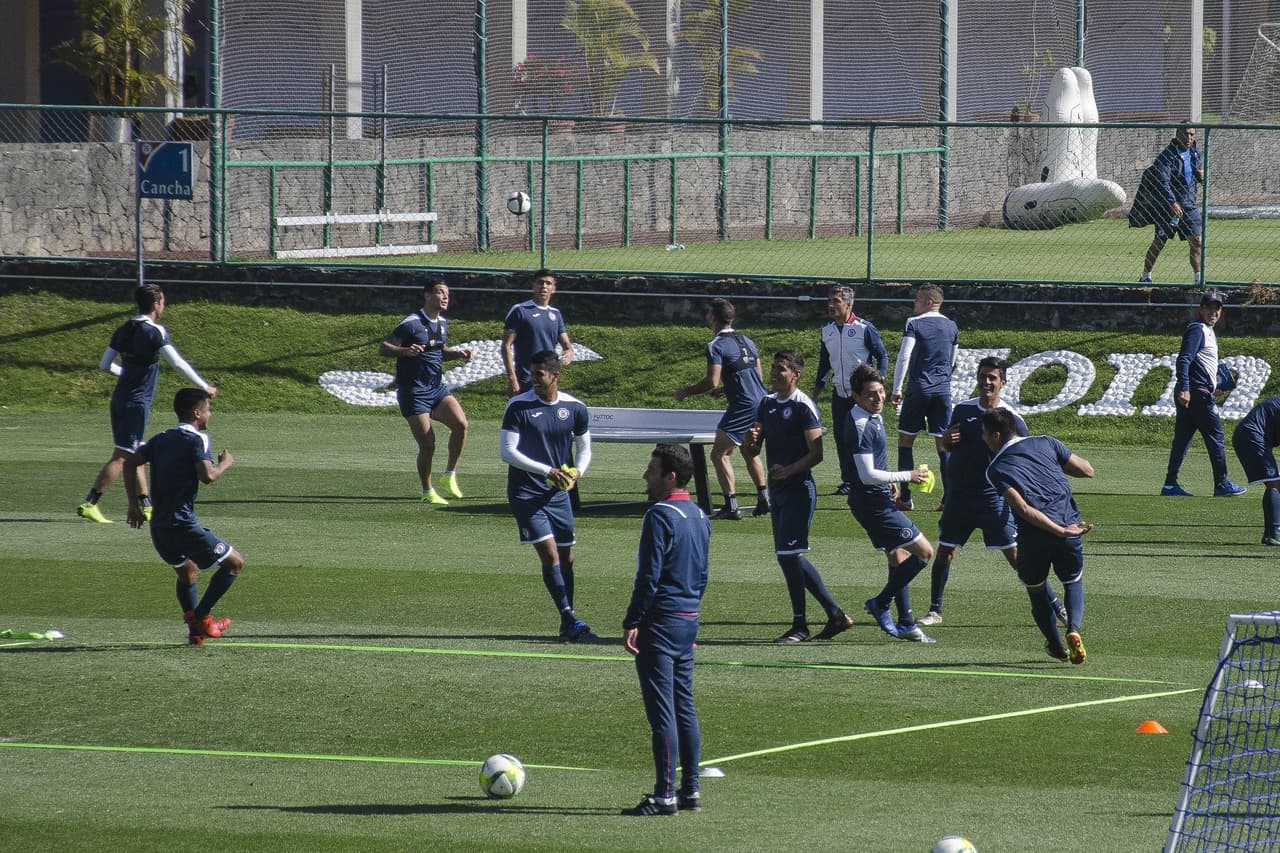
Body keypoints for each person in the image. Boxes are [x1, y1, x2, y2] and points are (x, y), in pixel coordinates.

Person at [918, 357, 1067, 628]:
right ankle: (934, 610)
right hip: (960, 498)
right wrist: (945, 442)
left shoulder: (1013, 420)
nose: (987, 382)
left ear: (1003, 382)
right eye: (983, 376)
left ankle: (1056, 605)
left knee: (1017, 558)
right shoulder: (962, 410)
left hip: (993, 499)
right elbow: (948, 446)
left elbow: (1023, 461)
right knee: (945, 552)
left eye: (992, 378)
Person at [621, 444, 711, 817]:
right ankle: (690, 790)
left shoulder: (659, 515)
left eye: (652, 469)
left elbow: (648, 576)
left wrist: (633, 620)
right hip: (688, 619)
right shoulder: (700, 515)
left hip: (660, 623)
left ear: (670, 476)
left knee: (663, 715)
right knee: (684, 707)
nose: (646, 475)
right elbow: (703, 574)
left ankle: (664, 796)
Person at [78, 283, 217, 524]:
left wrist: (126, 373)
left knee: (136, 451)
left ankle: (147, 505)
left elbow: (104, 365)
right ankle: (91, 502)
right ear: (155, 304)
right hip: (137, 401)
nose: (164, 305)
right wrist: (204, 386)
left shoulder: (124, 329)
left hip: (119, 399)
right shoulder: (155, 332)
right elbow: (177, 363)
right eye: (162, 301)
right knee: (122, 455)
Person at [742, 350, 853, 643]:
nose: (775, 373)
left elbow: (817, 453)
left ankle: (801, 626)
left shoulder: (804, 406)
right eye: (774, 368)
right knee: (786, 558)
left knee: (789, 555)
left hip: (800, 490)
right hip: (779, 491)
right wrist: (748, 444)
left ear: (796, 374)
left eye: (782, 369)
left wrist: (790, 470)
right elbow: (752, 450)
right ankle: (834, 615)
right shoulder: (766, 404)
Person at [123, 388, 243, 646]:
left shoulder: (162, 438)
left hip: (160, 527)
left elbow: (130, 462)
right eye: (208, 409)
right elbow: (207, 476)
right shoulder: (198, 439)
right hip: (182, 524)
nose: (210, 414)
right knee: (234, 564)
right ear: (197, 413)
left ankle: (196, 635)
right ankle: (200, 618)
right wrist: (226, 463)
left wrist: (134, 504)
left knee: (187, 571)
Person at [982, 407, 1094, 664]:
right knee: (1072, 582)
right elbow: (1087, 470)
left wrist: (1056, 530)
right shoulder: (1047, 442)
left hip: (1035, 538)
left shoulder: (995, 468)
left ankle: (1057, 646)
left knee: (1037, 590)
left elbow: (1021, 508)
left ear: (996, 435)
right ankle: (1073, 629)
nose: (983, 438)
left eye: (984, 433)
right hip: (1070, 526)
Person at [500, 350, 596, 642]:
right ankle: (569, 618)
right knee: (550, 554)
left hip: (557, 496)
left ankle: (567, 622)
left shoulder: (575, 408)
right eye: (532, 373)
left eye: (540, 374)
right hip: (526, 493)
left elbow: (585, 448)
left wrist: (577, 472)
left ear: (555, 375)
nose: (534, 379)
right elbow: (508, 452)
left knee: (567, 558)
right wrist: (547, 470)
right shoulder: (518, 407)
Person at [844, 364, 937, 643]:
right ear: (857, 396)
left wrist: (890, 481)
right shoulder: (861, 424)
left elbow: (875, 466)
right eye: (872, 394)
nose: (879, 398)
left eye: (882, 392)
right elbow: (866, 474)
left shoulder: (872, 416)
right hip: (874, 506)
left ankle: (907, 622)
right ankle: (881, 603)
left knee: (898, 557)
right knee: (924, 553)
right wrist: (907, 475)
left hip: (877, 498)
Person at [674, 298, 769, 520]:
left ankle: (731, 506)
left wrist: (686, 391)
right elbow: (757, 376)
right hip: (761, 401)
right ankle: (764, 498)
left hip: (743, 406)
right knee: (749, 451)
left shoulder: (715, 345)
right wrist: (728, 389)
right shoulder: (748, 341)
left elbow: (711, 381)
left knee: (719, 454)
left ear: (712, 318)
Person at [380, 280, 472, 506]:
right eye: (440, 292)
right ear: (427, 295)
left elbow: (439, 352)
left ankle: (449, 475)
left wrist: (457, 354)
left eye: (448, 293)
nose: (445, 297)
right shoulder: (411, 324)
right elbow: (383, 348)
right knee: (428, 444)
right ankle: (427, 490)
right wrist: (405, 351)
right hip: (413, 392)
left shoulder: (442, 323)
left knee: (461, 425)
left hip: (436, 388)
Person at [1161, 289, 1247, 498]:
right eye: (1209, 307)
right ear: (1201, 308)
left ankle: (1170, 485)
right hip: (1196, 394)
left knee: (1182, 440)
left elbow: (1201, 363)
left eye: (1217, 308)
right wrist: (1184, 387)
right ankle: (1222, 484)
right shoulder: (1197, 329)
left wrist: (1213, 385)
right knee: (1215, 436)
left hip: (1198, 391)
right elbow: (1184, 359)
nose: (1213, 312)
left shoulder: (1206, 330)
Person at [814, 284, 888, 496]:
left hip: (861, 395)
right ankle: (848, 480)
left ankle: (872, 476)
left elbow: (882, 354)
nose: (831, 305)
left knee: (863, 437)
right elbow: (824, 362)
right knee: (842, 437)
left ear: (849, 304)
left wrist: (881, 375)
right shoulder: (826, 331)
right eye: (829, 301)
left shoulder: (865, 328)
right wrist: (817, 391)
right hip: (840, 393)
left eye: (836, 301)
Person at [891, 284, 958, 511]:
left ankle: (906, 498)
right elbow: (952, 360)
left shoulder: (914, 323)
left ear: (929, 301)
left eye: (918, 300)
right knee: (943, 444)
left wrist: (897, 389)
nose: (914, 304)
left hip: (919, 389)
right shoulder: (952, 325)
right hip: (943, 391)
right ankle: (948, 499)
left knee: (905, 440)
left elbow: (904, 356)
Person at [1138, 125, 1204, 284]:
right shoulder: (1166, 156)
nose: (1189, 138)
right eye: (1186, 134)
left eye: (1192, 134)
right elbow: (1162, 181)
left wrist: (1200, 175)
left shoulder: (1195, 153)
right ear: (1178, 134)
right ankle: (1146, 276)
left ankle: (1198, 279)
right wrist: (1171, 202)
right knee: (1160, 241)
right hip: (1168, 207)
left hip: (1189, 204)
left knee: (1197, 240)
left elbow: (1196, 173)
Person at [501, 267, 574, 396]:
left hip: (548, 379)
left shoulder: (555, 314)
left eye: (548, 283)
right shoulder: (520, 310)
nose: (544, 286)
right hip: (525, 379)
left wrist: (568, 353)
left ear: (554, 289)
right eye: (540, 282)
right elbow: (506, 345)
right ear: (533, 285)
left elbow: (567, 345)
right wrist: (512, 379)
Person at [1231, 395, 1280, 546]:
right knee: (1274, 484)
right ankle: (1275, 532)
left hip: (1250, 436)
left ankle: (1270, 534)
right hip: (1252, 437)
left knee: (1274, 483)